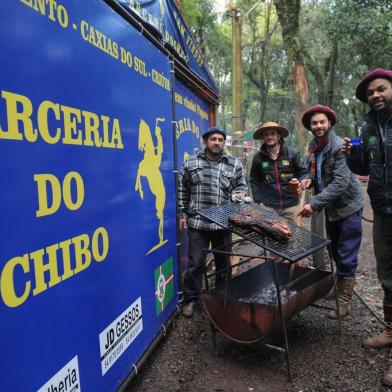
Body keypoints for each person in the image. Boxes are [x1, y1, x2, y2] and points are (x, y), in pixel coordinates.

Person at [344, 68, 392, 385]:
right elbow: (363, 168)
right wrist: (353, 154)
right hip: (383, 209)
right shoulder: (368, 126)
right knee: (386, 271)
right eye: (370, 93)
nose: (375, 95)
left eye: (381, 89)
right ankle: (390, 330)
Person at [298, 104, 365, 319]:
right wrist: (307, 180)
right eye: (314, 123)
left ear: (329, 123)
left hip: (348, 206)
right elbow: (313, 170)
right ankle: (337, 288)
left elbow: (340, 182)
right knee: (335, 250)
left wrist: (314, 203)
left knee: (346, 254)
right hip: (332, 208)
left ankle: (344, 303)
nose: (318, 126)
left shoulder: (338, 146)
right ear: (310, 126)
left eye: (321, 122)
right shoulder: (314, 145)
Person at [178, 126, 247, 318]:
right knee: (196, 263)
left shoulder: (234, 164)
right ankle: (191, 300)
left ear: (224, 143)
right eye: (213, 139)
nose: (217, 143)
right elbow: (183, 189)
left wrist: (239, 194)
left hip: (223, 223)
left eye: (220, 139)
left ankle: (222, 298)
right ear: (205, 141)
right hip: (198, 223)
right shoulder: (191, 163)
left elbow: (242, 186)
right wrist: (183, 214)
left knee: (223, 263)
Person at [249, 121, 310, 221]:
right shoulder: (258, 158)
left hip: (291, 206)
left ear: (279, 136)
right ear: (263, 137)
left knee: (292, 235)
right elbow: (254, 180)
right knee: (270, 236)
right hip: (268, 207)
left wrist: (302, 181)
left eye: (272, 133)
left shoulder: (291, 154)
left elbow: (303, 172)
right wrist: (258, 201)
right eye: (266, 134)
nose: (269, 137)